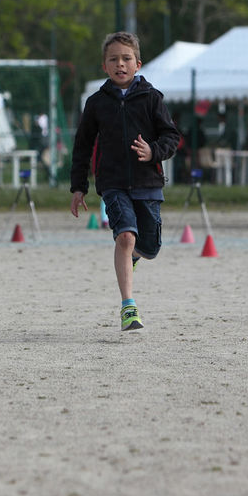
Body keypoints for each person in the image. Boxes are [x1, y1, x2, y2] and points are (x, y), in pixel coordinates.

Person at [70, 31, 181, 331]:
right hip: (113, 183)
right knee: (126, 236)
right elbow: (82, 146)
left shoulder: (152, 98)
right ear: (104, 66)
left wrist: (153, 151)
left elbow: (172, 136)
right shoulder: (96, 103)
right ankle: (128, 307)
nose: (120, 64)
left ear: (138, 64)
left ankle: (131, 258)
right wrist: (79, 186)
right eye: (113, 59)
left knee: (151, 247)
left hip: (148, 183)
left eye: (126, 58)